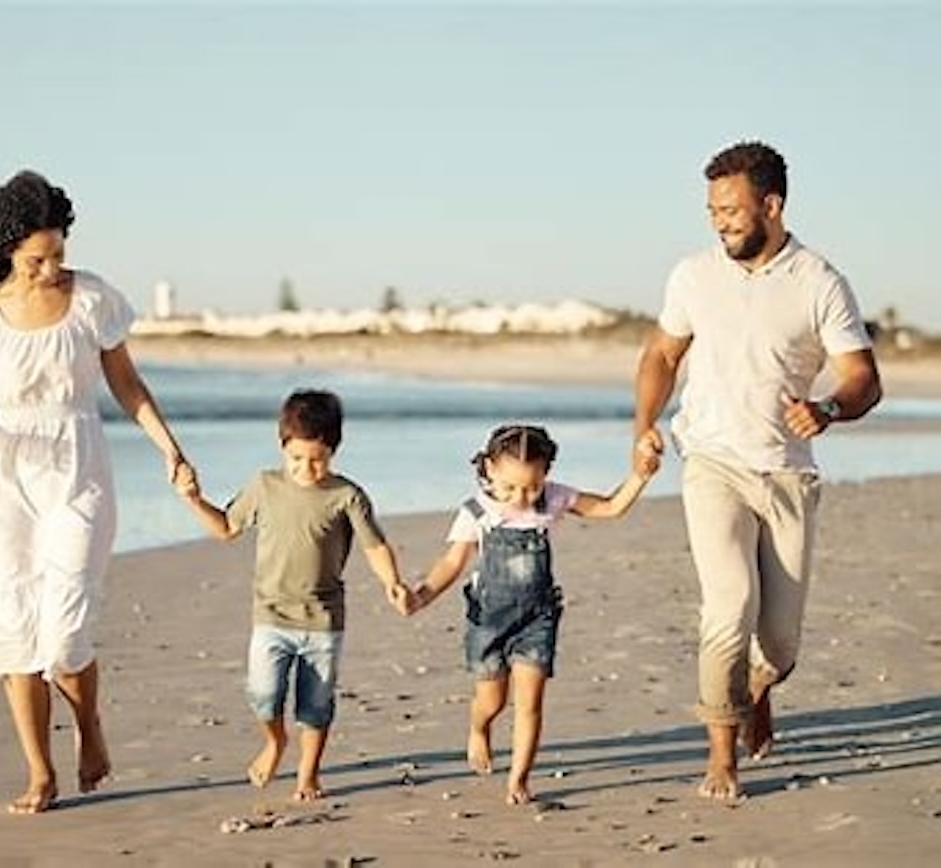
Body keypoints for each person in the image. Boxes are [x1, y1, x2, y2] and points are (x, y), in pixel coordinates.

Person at [0, 170, 194, 814]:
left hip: (78, 468)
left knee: (67, 632)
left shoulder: (91, 298)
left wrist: (170, 448)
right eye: (37, 260)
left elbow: (127, 384)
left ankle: (89, 723)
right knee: (14, 631)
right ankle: (40, 772)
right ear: (9, 251)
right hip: (5, 477)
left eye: (58, 255)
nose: (51, 270)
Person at [633, 141, 883, 801]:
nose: (720, 223)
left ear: (771, 205)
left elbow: (863, 378)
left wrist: (828, 408)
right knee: (729, 606)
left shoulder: (819, 281)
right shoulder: (693, 275)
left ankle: (756, 686)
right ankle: (721, 757)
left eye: (732, 210)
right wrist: (645, 426)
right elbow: (661, 355)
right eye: (712, 211)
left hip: (786, 473)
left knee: (779, 644)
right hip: (712, 462)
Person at [174, 389, 412, 801]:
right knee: (264, 696)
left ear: (333, 450)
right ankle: (275, 741)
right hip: (270, 616)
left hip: (323, 620)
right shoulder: (264, 486)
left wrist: (393, 582)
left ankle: (308, 774)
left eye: (317, 459)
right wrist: (193, 499)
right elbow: (227, 528)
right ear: (282, 446)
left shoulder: (347, 496)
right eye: (296, 458)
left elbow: (375, 546)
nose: (306, 468)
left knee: (316, 706)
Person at [409, 424, 657, 805]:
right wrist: (421, 596)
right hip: (488, 621)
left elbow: (609, 507)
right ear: (489, 469)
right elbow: (452, 563)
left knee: (530, 705)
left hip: (537, 620)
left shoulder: (553, 499)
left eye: (532, 487)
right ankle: (479, 728)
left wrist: (640, 476)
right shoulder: (476, 511)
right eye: (510, 487)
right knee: (492, 701)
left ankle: (519, 777)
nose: (521, 497)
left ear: (546, 474)